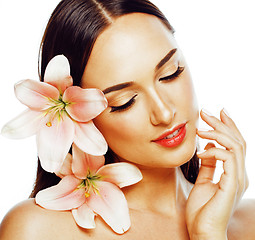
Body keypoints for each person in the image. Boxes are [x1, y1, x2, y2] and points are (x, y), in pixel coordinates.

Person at [0, 0, 254, 239]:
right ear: (80, 119)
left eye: (170, 74)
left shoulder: (249, 222)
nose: (164, 113)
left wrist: (209, 233)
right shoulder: (39, 230)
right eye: (126, 102)